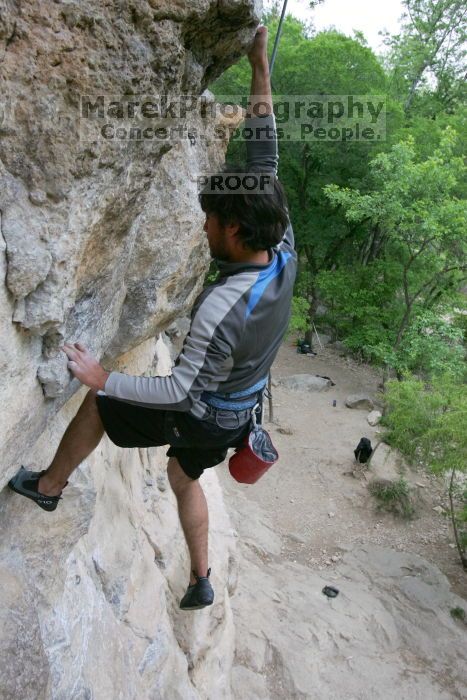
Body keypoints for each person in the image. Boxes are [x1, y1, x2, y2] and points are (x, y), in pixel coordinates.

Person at [8, 26, 297, 610]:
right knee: (184, 477)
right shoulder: (282, 246)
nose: (204, 227)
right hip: (242, 408)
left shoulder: (221, 306)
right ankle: (201, 579)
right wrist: (260, 68)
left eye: (212, 222)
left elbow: (179, 391)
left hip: (208, 413)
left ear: (236, 232)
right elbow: (265, 150)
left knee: (99, 405)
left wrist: (102, 379)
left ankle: (48, 487)